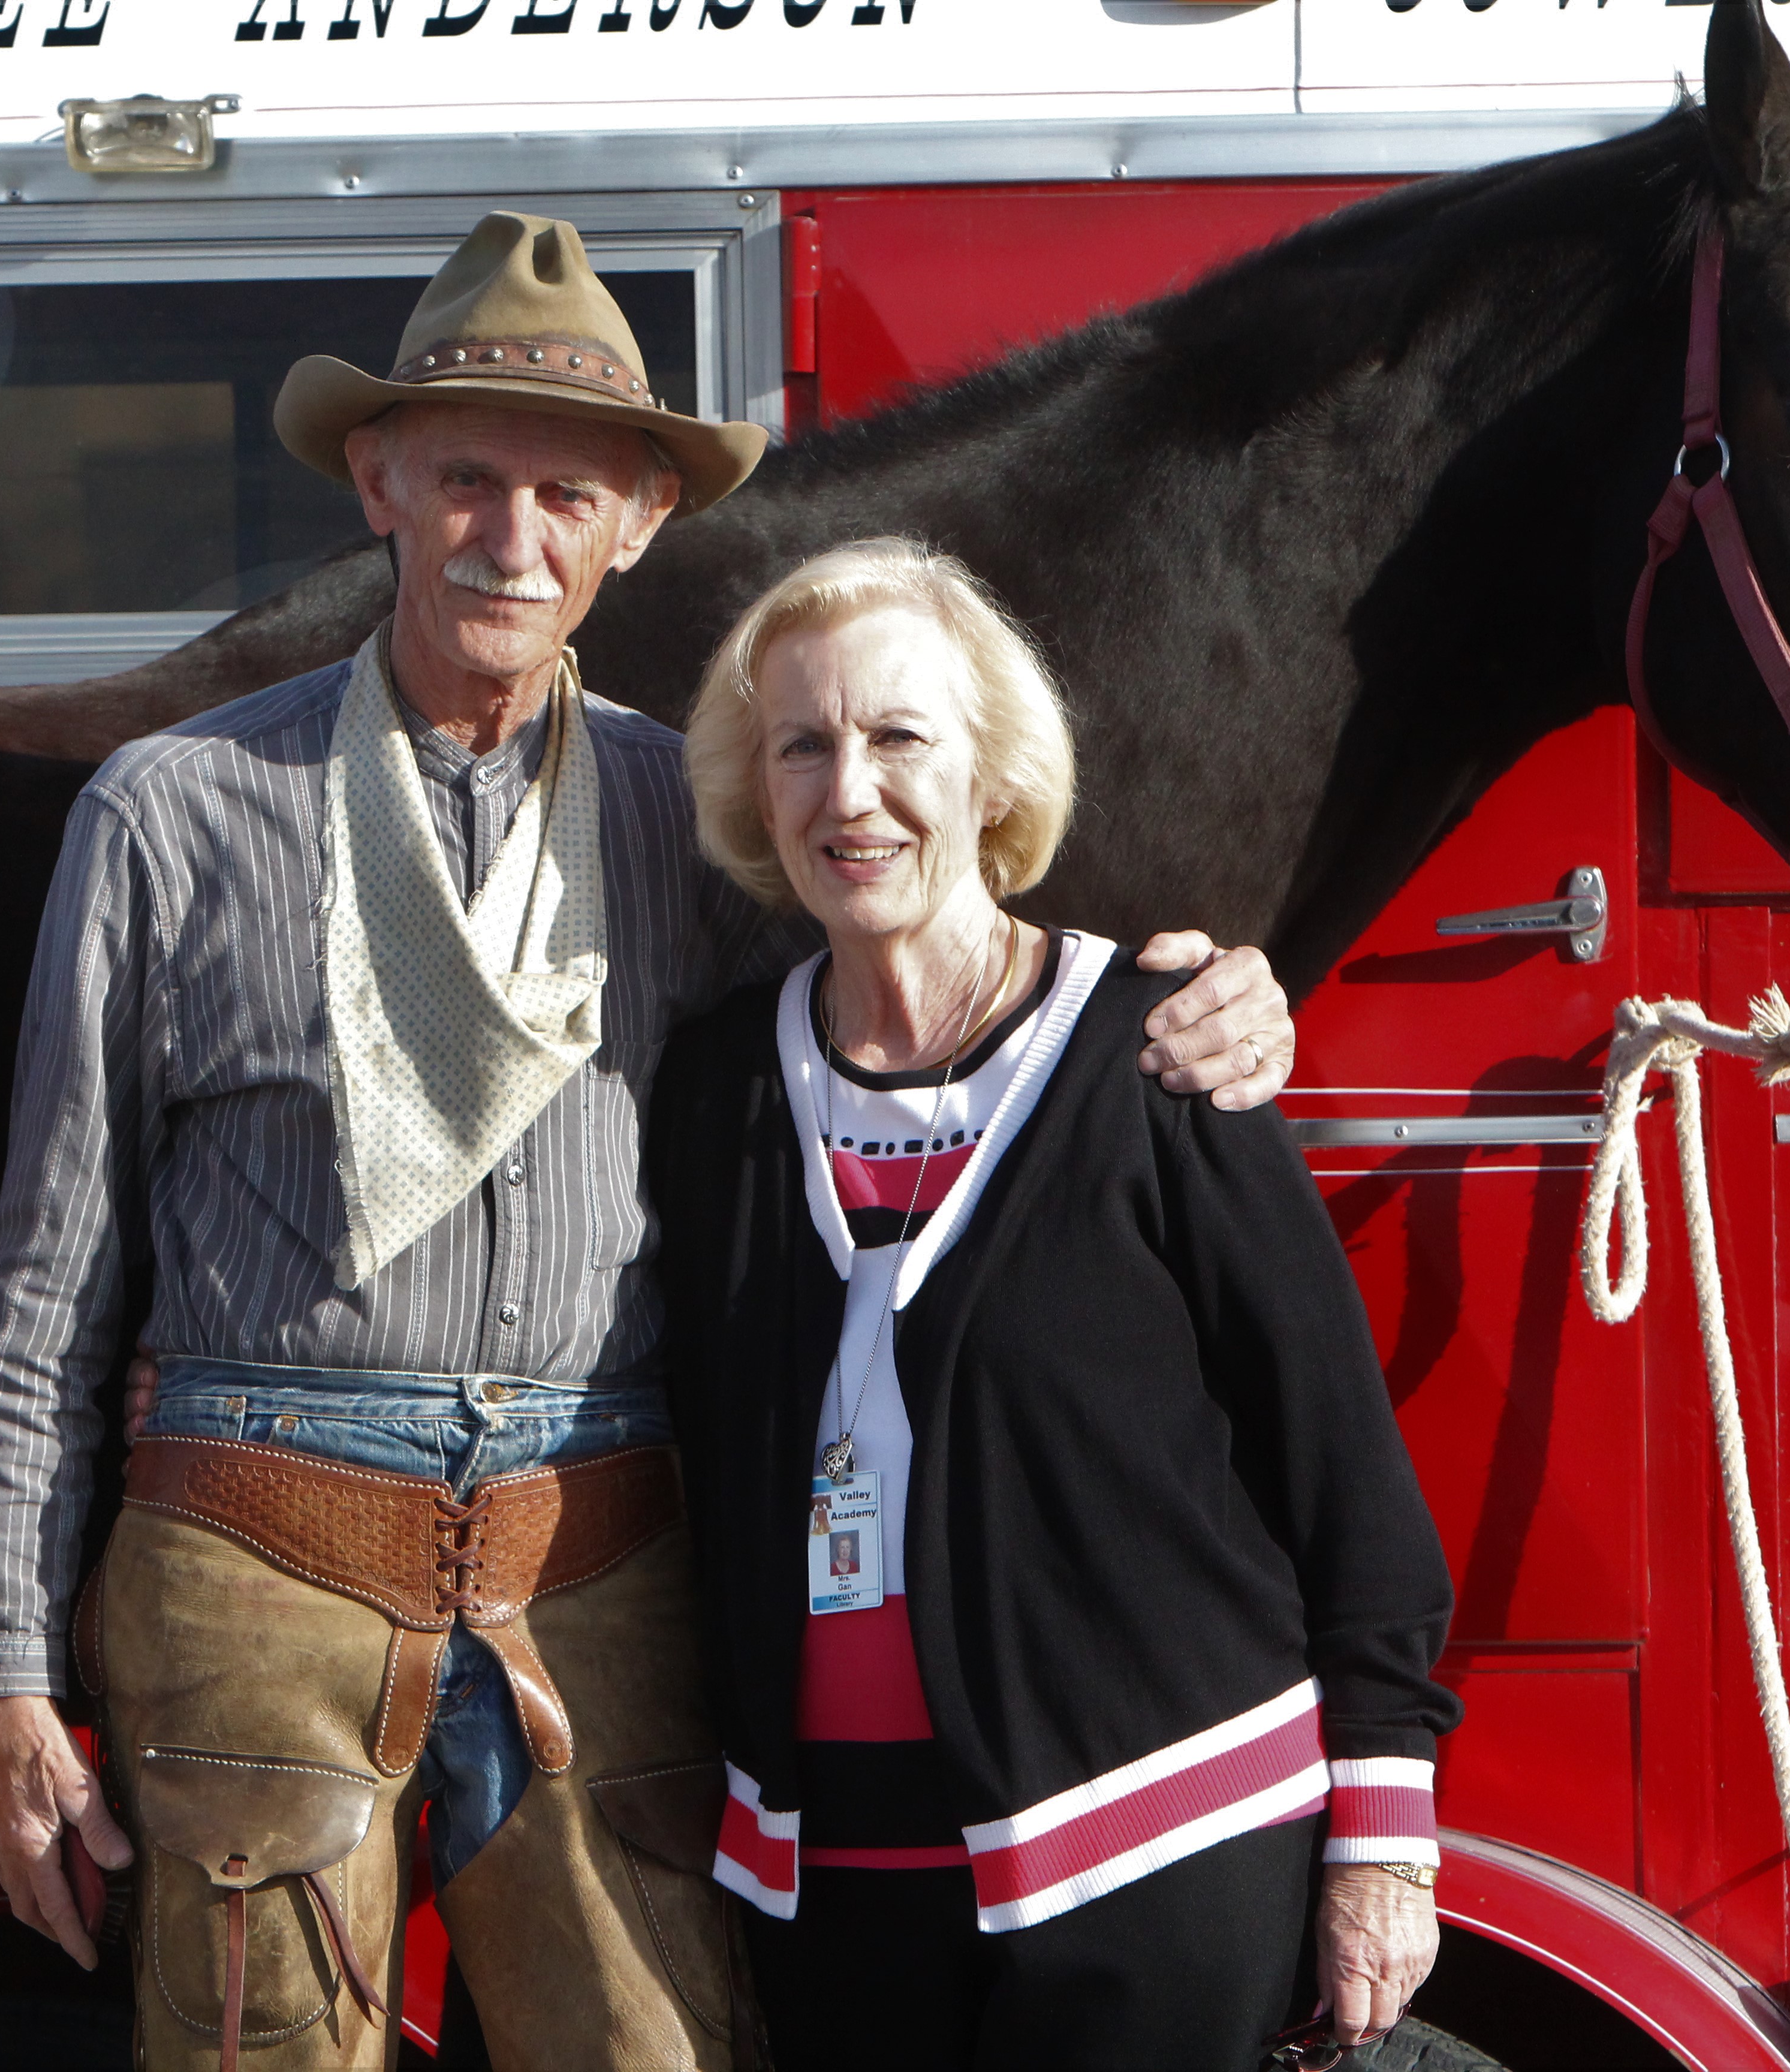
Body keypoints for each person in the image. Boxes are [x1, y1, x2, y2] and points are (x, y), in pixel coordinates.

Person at [0, 212, 1301, 2072]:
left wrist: (1202, 994)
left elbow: (951, 982)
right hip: (256, 1530)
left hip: (601, 1544)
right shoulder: (174, 818)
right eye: (470, 481)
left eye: (569, 494)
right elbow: (46, 1288)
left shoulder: (708, 824)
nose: (514, 538)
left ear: (640, 525)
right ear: (380, 483)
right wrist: (7, 1675)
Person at [650, 540, 1460, 2071]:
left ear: (992, 776)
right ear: (756, 794)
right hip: (830, 1874)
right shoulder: (711, 1094)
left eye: (900, 738)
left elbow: (1341, 1463)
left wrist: (1385, 1834)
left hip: (1154, 1833)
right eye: (802, 745)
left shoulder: (1161, 1050)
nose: (850, 791)